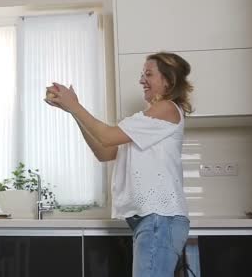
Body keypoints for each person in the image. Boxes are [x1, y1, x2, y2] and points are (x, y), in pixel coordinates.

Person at [46, 52, 193, 277]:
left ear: (168, 80)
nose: (142, 79)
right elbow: (104, 151)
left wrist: (75, 106)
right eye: (142, 74)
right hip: (152, 220)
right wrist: (72, 112)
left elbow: (107, 136)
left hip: (160, 218)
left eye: (149, 74)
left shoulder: (166, 109)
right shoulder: (146, 121)